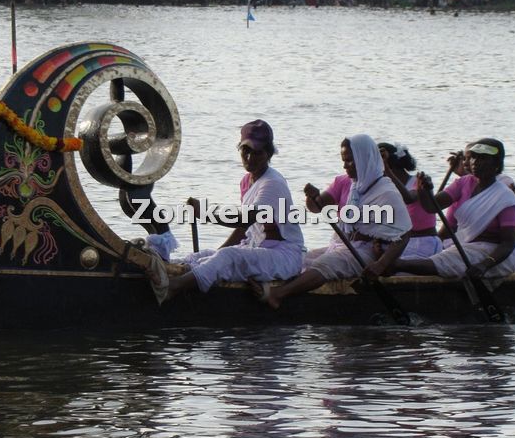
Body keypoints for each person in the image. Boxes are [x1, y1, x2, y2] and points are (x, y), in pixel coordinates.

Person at [257, 134, 412, 309]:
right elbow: (316, 207)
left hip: (370, 251)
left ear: (363, 159)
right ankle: (274, 285)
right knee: (303, 259)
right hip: (343, 244)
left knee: (327, 264)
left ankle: (278, 295)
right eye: (343, 160)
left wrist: (381, 264)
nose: (344, 166)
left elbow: (404, 234)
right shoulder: (351, 184)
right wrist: (313, 197)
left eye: (349, 161)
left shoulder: (386, 191)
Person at [165, 120, 304, 299]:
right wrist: (216, 255)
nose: (249, 158)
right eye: (245, 151)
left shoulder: (272, 183)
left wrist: (205, 214)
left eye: (257, 153)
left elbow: (244, 219)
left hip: (284, 257)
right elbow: (243, 229)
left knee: (228, 256)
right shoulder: (247, 181)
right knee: (201, 256)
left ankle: (173, 287)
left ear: (268, 153)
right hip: (255, 248)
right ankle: (165, 271)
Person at [392, 138, 515, 279]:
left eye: (483, 158)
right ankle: (395, 265)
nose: (475, 162)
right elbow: (432, 207)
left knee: (436, 263)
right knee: (442, 260)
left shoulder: (506, 197)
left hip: (496, 255)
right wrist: (425, 189)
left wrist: (484, 265)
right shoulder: (464, 182)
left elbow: (508, 243)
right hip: (468, 248)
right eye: (473, 157)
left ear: (497, 164)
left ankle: (394, 265)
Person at [377, 142, 442, 260]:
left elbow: (408, 198)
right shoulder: (384, 187)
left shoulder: (419, 181)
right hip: (398, 244)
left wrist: (386, 169)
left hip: (423, 242)